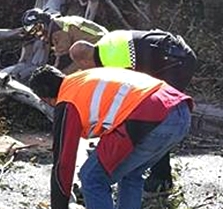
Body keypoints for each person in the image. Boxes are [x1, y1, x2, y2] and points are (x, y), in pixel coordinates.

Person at [27, 65, 192, 209]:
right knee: (131, 175)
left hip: (150, 116)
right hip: (179, 112)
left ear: (46, 99)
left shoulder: (67, 100)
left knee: (92, 178)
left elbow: (63, 162)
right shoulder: (83, 78)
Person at [69, 29, 197, 195]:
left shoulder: (111, 63)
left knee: (158, 117)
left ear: (85, 61)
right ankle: (149, 173)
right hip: (175, 54)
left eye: (83, 67)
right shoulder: (105, 43)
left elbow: (126, 103)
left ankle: (161, 180)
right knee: (151, 117)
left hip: (176, 63)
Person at [21, 8, 108, 72]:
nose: (37, 34)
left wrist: (54, 76)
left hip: (99, 50)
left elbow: (63, 60)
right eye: (33, 32)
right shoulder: (60, 23)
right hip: (102, 44)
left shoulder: (57, 33)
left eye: (38, 28)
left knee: (66, 77)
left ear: (44, 22)